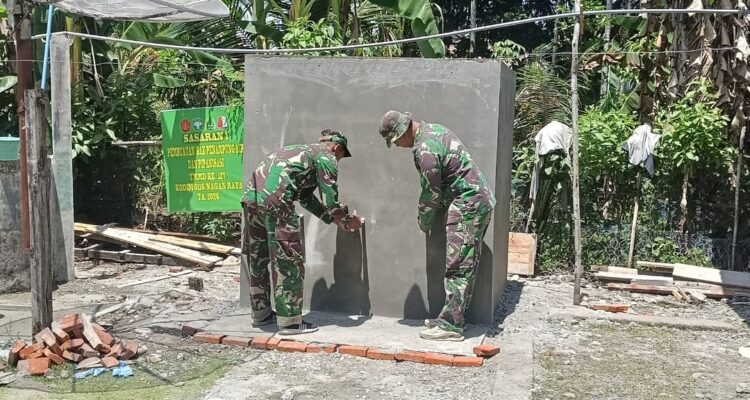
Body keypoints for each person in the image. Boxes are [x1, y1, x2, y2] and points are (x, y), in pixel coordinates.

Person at [378, 110, 496, 341]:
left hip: (468, 205)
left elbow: (430, 193)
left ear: (403, 132)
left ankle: (451, 325)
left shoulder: (425, 150)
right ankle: (451, 317)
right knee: (465, 264)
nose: (399, 146)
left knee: (458, 266)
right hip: (475, 201)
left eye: (396, 141)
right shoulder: (435, 130)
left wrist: (424, 220)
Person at [241, 130, 361, 335]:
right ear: (337, 147)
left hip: (251, 198)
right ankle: (290, 323)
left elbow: (305, 198)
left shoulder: (300, 152)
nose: (338, 161)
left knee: (258, 257)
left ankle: (260, 313)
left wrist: (332, 220)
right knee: (289, 259)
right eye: (341, 156)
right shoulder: (327, 157)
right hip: (276, 201)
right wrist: (348, 220)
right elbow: (331, 203)